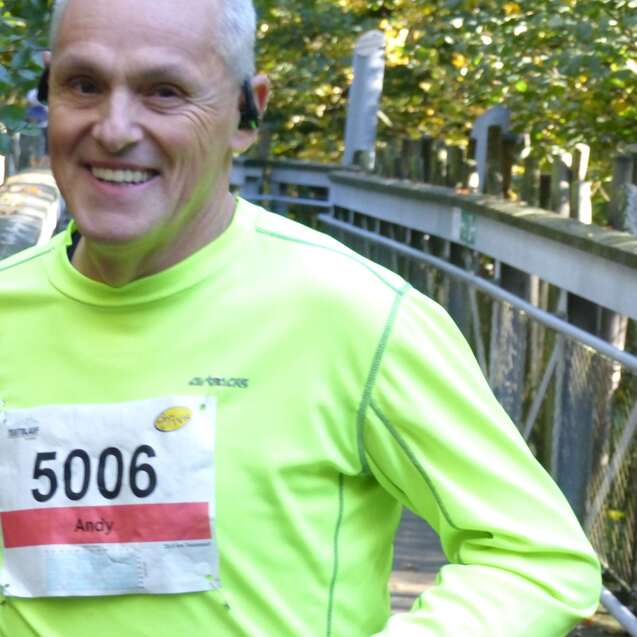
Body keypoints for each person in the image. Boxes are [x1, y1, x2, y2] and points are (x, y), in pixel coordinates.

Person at [0, 0, 601, 636]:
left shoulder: (355, 314)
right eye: (84, 85)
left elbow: (536, 559)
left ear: (246, 113)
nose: (115, 129)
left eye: (165, 92)